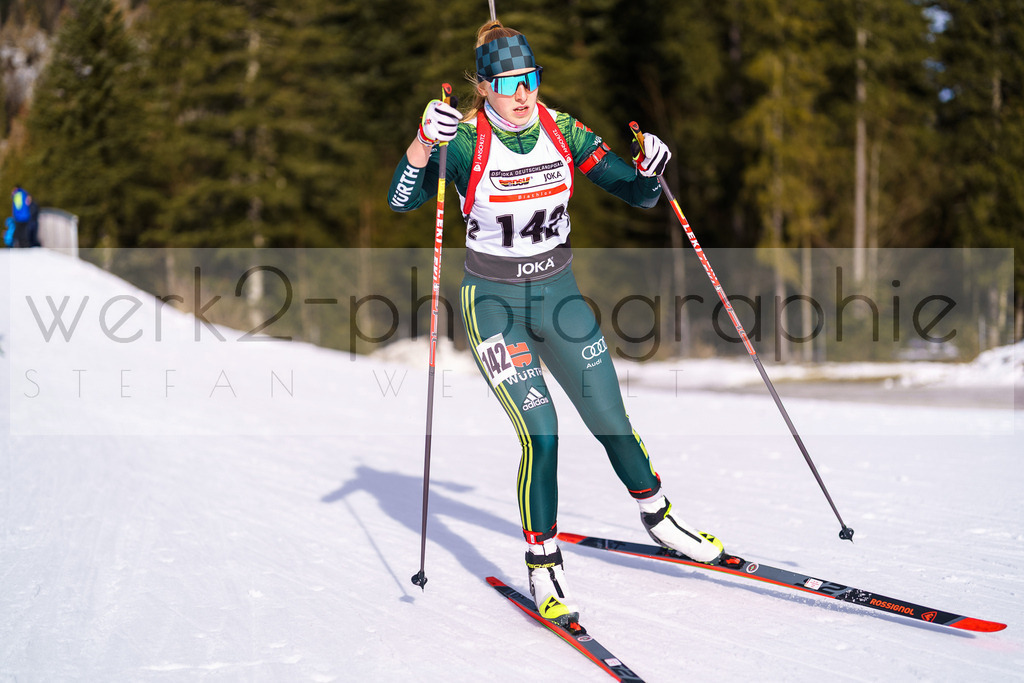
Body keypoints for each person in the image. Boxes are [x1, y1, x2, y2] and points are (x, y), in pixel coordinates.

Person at [388, 19, 724, 626]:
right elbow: (400, 200)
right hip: (492, 304)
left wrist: (651, 168)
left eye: (531, 79)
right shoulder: (462, 140)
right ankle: (543, 564)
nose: (523, 94)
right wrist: (420, 144)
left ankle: (660, 518)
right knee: (540, 430)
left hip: (559, 294)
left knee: (609, 415)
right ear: (484, 87)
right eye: (510, 83)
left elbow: (638, 193)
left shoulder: (560, 128)